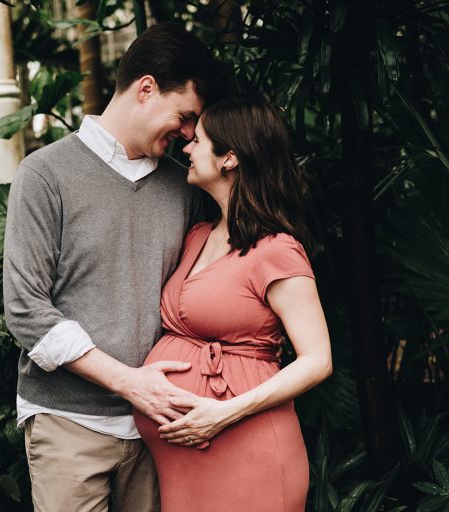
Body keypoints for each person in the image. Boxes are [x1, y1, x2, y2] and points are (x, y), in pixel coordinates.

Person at [2, 23, 223, 512]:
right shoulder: (44, 173)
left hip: (161, 430)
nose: (190, 134)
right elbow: (24, 310)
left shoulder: (185, 187)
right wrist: (130, 382)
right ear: (146, 88)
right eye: (185, 116)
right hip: (68, 423)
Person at [133, 96, 333, 512]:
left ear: (230, 158)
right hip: (182, 467)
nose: (186, 147)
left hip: (247, 450)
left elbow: (317, 361)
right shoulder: (198, 236)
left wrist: (223, 413)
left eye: (198, 141)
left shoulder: (277, 250)